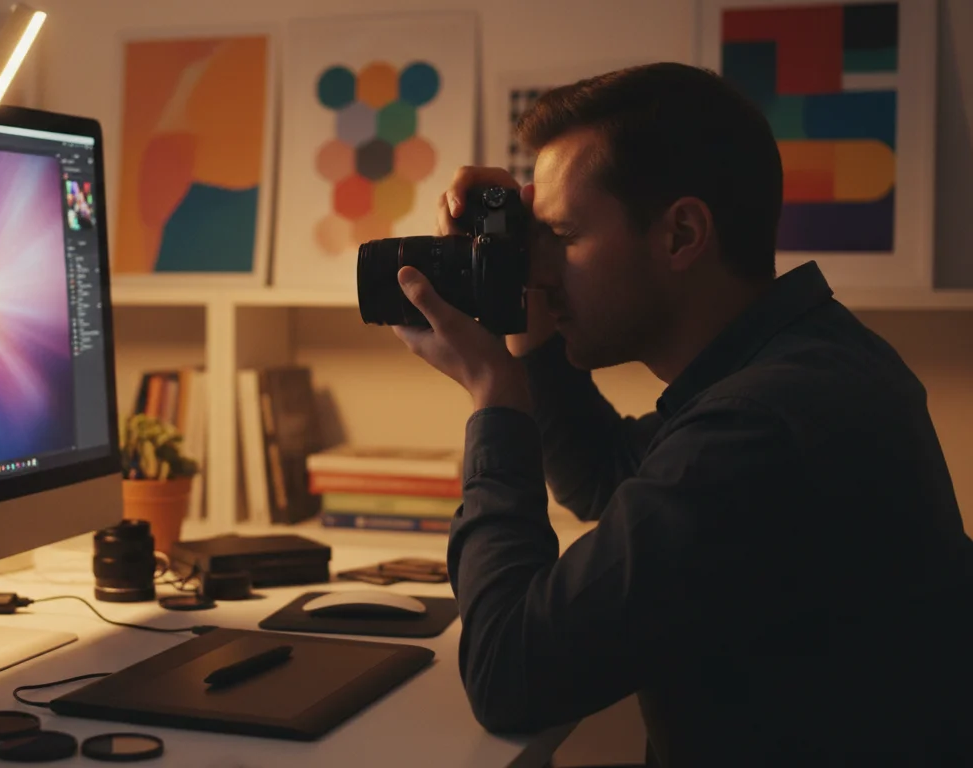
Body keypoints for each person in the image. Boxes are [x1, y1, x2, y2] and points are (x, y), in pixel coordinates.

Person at [392, 62, 973, 766]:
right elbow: (603, 475)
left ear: (680, 235)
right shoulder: (804, 360)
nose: (539, 271)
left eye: (563, 236)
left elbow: (510, 674)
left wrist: (494, 392)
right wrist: (527, 327)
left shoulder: (762, 427)